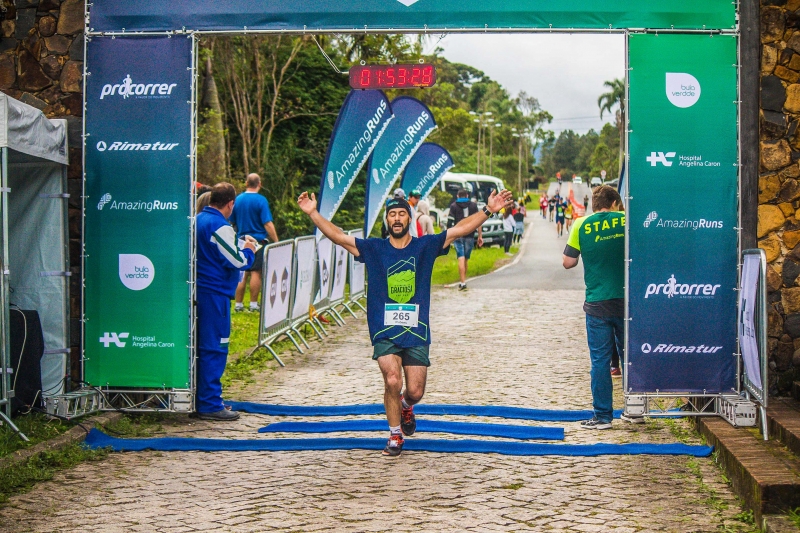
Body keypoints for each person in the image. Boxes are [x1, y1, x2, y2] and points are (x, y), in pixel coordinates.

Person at [297, 188, 513, 456]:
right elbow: (339, 237)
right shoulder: (374, 248)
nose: (396, 219)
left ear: (409, 218)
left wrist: (489, 210)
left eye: (401, 214)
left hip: (416, 330)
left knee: (415, 390)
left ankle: (406, 406)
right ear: (387, 221)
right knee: (391, 379)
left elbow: (459, 230)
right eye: (392, 215)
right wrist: (313, 213)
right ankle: (395, 434)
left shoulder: (425, 246)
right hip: (384, 328)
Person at [562, 185, 640, 428]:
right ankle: (636, 410)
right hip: (629, 301)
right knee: (631, 358)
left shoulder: (581, 224)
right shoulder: (628, 219)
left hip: (597, 303)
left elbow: (568, 262)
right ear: (616, 203)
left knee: (600, 361)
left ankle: (603, 417)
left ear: (594, 206)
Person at [195, 183, 256, 421]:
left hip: (202, 290)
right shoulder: (219, 225)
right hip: (214, 293)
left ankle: (203, 398)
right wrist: (250, 249)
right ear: (231, 203)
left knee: (202, 347)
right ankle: (210, 403)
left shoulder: (198, 219)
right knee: (214, 347)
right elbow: (239, 261)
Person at [229, 174, 279, 313]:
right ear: (259, 184)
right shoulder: (261, 200)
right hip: (258, 241)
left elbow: (232, 220)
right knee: (256, 272)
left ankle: (238, 304)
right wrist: (276, 241)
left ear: (246, 183)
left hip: (241, 240)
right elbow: (267, 223)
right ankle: (253, 304)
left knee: (242, 272)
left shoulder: (237, 199)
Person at [447, 188, 482, 291]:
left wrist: (448, 236)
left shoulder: (453, 206)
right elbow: (478, 221)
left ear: (458, 196)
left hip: (458, 234)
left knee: (460, 257)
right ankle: (463, 281)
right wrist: (480, 235)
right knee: (466, 258)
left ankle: (462, 282)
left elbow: (450, 222)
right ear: (467, 196)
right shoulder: (473, 206)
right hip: (470, 235)